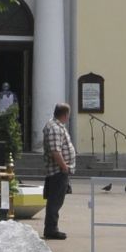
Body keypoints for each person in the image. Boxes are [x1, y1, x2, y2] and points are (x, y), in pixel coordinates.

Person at [42, 102, 75, 241]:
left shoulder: (55, 125)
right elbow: (56, 151)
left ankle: (51, 228)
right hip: (57, 171)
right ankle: (51, 229)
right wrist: (64, 167)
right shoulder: (55, 128)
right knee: (55, 201)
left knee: (55, 200)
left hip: (58, 170)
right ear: (66, 115)